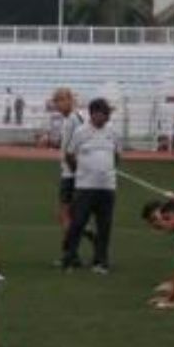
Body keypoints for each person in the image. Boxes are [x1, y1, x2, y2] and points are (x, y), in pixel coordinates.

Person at [60, 98, 120, 273]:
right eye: (102, 114)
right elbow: (70, 155)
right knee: (77, 223)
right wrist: (81, 172)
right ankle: (69, 258)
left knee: (104, 226)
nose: (105, 118)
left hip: (107, 188)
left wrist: (107, 171)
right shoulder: (81, 132)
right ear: (93, 114)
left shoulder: (113, 132)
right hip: (85, 187)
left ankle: (101, 261)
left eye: (107, 114)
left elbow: (117, 156)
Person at [49, 88, 86, 243]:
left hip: (71, 173)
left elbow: (80, 144)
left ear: (70, 100)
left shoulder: (74, 119)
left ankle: (70, 251)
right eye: (56, 101)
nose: (57, 104)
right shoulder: (70, 119)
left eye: (60, 100)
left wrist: (75, 169)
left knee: (65, 214)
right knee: (70, 214)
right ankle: (83, 238)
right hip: (71, 171)